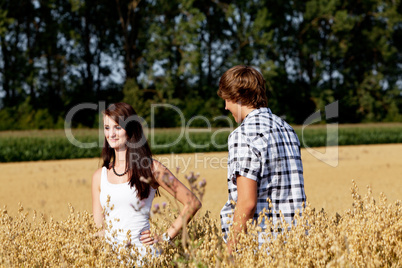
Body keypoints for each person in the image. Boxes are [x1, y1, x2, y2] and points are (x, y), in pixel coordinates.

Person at [92, 102, 202, 265]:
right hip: (111, 261)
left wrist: (165, 238)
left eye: (117, 127)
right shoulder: (99, 176)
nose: (111, 134)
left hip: (145, 259)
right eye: (107, 128)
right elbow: (98, 228)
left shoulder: (151, 168)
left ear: (130, 130)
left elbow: (192, 203)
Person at [217, 65, 306, 253]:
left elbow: (247, 203)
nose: (225, 106)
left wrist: (229, 253)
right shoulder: (287, 129)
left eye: (226, 100)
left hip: (263, 245)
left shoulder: (243, 134)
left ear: (235, 96)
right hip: (297, 243)